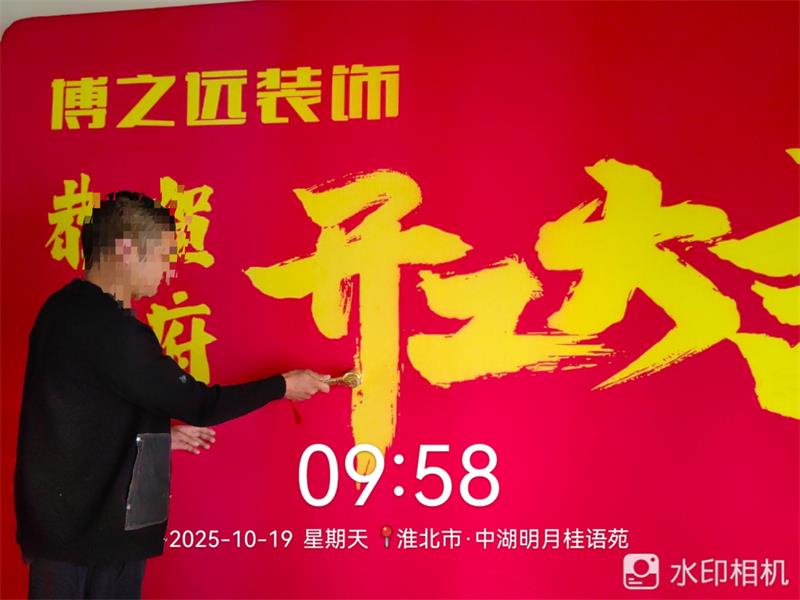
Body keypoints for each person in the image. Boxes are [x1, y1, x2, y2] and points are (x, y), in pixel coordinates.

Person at [14, 191, 330, 599]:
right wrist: (283, 385)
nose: (167, 272)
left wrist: (158, 438)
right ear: (126, 249)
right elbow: (201, 405)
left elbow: (81, 415)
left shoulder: (61, 310)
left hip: (62, 528)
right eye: (164, 256)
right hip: (94, 534)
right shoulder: (110, 329)